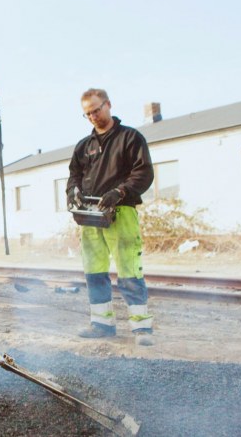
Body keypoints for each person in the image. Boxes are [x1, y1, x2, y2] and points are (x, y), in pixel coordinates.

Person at [66, 88, 155, 346]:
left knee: (129, 269)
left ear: (108, 105)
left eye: (96, 110)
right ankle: (101, 324)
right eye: (88, 114)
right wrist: (73, 191)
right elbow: (74, 175)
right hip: (91, 216)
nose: (93, 116)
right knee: (94, 271)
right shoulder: (84, 146)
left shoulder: (130, 138)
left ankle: (141, 329)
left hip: (121, 211)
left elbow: (143, 173)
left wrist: (120, 191)